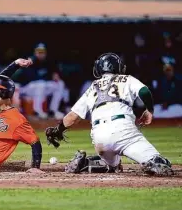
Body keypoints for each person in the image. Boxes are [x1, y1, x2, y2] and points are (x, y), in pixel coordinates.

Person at [45, 53, 174, 176]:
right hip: (124, 131)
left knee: (113, 166)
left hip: (99, 137)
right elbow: (144, 91)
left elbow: (72, 117)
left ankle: (86, 163)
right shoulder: (126, 79)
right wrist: (149, 110)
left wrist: (58, 130)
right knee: (161, 162)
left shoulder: (93, 86)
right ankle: (151, 163)